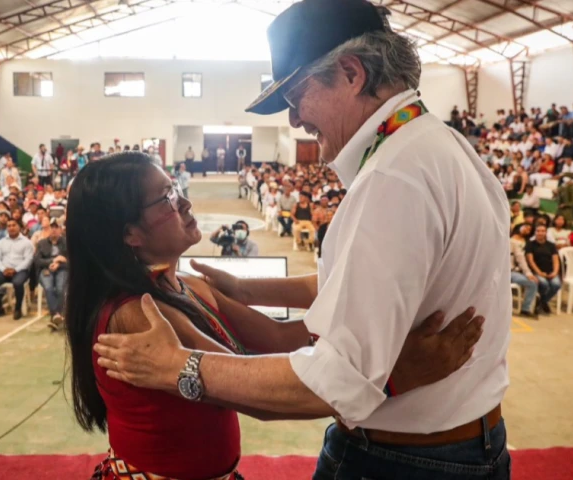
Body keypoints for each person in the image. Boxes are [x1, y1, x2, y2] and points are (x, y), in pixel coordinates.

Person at [94, 2, 512, 478]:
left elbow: (330, 382)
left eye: (297, 96)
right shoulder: (441, 148)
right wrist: (250, 290)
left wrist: (179, 368)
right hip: (462, 443)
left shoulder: (393, 178)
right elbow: (359, 291)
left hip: (403, 458)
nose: (294, 120)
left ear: (351, 73)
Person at [64, 153, 482, 480]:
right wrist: (393, 375)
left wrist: (380, 332)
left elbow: (281, 339)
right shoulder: (140, 313)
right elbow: (247, 388)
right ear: (129, 234)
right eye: (167, 199)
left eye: (176, 189)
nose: (186, 202)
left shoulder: (189, 284)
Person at [0, 218, 34, 320]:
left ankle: (18, 309)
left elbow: (28, 260)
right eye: (9, 226)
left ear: (19, 227)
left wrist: (15, 270)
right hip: (4, 270)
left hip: (20, 270)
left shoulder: (26, 242)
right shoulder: (1, 243)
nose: (11, 228)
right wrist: (3, 269)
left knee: (17, 283)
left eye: (14, 225)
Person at [34, 219, 68, 328]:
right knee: (48, 287)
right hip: (46, 269)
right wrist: (53, 261)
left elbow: (73, 261)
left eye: (56, 227)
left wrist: (60, 263)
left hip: (62, 269)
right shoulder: (41, 243)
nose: (53, 230)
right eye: (51, 227)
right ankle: (57, 314)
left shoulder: (67, 242)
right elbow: (37, 261)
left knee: (60, 287)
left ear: (60, 229)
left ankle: (55, 315)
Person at [526, 224, 560, 314]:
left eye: (542, 231)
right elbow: (530, 261)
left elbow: (556, 260)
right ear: (535, 232)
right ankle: (544, 303)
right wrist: (539, 272)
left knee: (556, 284)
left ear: (546, 233)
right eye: (538, 231)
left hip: (550, 271)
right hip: (537, 271)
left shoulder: (551, 245)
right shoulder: (530, 244)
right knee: (544, 284)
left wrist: (555, 272)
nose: (540, 233)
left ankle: (541, 302)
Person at [510, 223, 538, 319]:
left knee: (532, 282)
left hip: (510, 272)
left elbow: (520, 258)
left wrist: (528, 273)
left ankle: (525, 309)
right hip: (494, 273)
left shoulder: (513, 243)